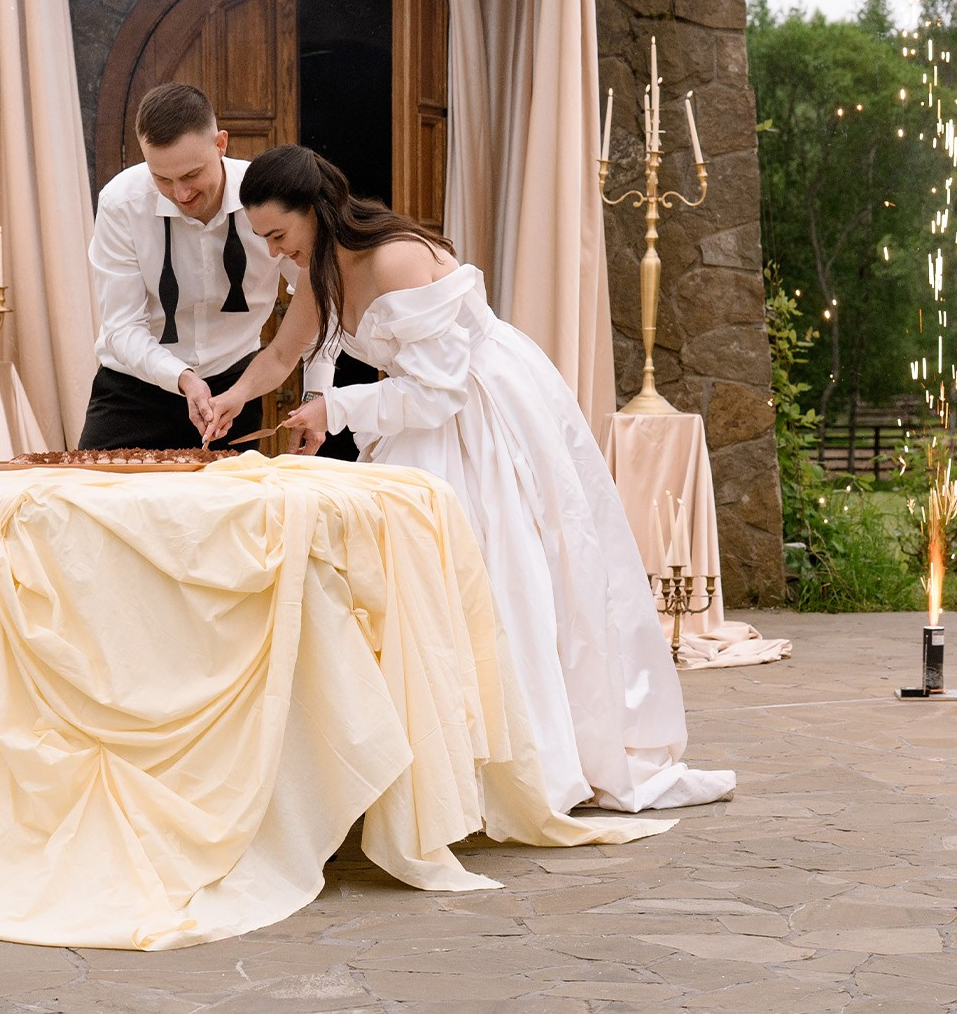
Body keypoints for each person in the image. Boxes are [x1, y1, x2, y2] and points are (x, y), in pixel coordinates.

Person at [198, 143, 735, 815]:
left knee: (503, 575)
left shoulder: (395, 258)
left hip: (482, 409)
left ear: (318, 210)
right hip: (423, 409)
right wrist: (226, 400)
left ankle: (526, 760)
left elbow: (438, 393)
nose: (276, 253)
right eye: (265, 240)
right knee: (415, 583)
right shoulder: (321, 270)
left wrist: (334, 408)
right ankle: (437, 765)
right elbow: (283, 352)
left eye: (280, 235)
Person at [80, 84, 336, 451]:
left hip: (233, 395)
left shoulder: (266, 197)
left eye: (191, 175)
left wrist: (316, 392)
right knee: (91, 503)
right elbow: (121, 326)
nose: (180, 194)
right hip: (131, 395)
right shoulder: (121, 203)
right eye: (162, 179)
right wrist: (182, 378)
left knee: (231, 508)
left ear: (221, 144)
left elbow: (323, 294)